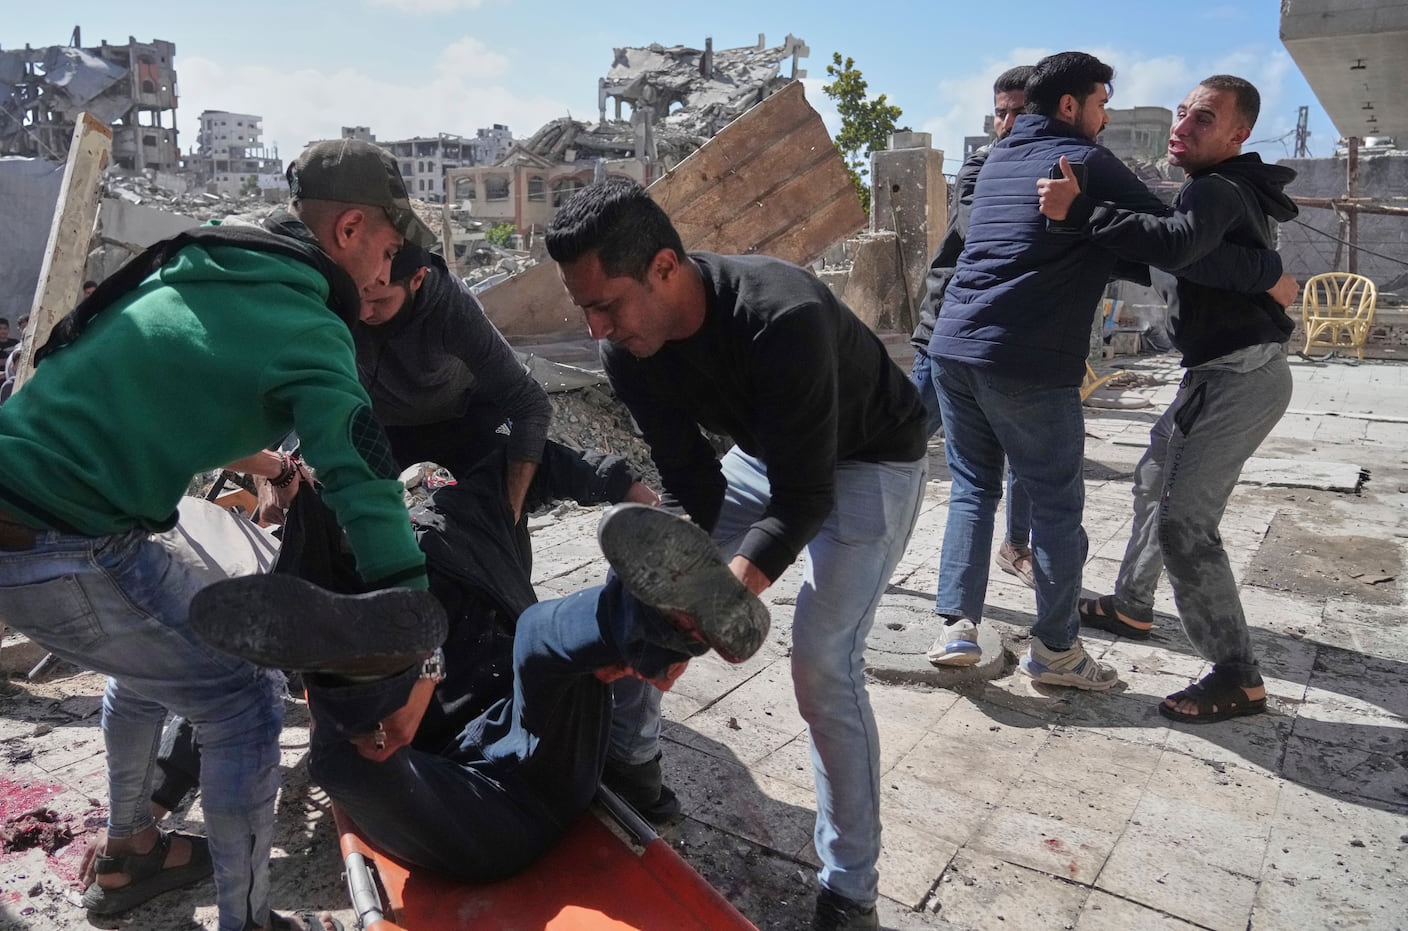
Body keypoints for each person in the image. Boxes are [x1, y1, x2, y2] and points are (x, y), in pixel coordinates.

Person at [0, 137, 444, 931]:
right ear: (348, 230)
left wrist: (272, 465)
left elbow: (176, 392)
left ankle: (133, 847)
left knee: (153, 663)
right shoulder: (309, 324)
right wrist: (412, 614)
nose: (386, 266)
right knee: (244, 697)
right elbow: (361, 471)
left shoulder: (199, 264)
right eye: (386, 245)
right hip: (57, 543)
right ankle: (249, 921)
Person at [547, 181, 928, 931]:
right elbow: (690, 477)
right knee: (644, 594)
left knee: (822, 662)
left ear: (664, 267)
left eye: (608, 304)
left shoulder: (780, 315)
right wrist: (677, 602)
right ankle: (635, 766)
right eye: (583, 307)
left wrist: (715, 607)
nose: (596, 325)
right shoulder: (627, 348)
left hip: (870, 460)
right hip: (768, 453)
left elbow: (804, 497)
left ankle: (852, 891)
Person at [193, 450, 766, 882]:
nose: (425, 488)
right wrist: (293, 487)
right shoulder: (358, 551)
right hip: (466, 791)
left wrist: (637, 493)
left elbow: (547, 449)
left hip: (529, 722)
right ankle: (365, 673)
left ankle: (665, 618)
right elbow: (281, 608)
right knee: (350, 761)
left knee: (537, 636)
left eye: (430, 482)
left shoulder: (477, 506)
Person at [926, 52, 1295, 691]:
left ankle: (958, 625)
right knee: (1057, 506)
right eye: (1102, 104)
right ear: (1071, 106)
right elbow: (1177, 244)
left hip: (953, 351)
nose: (1105, 117)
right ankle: (1059, 654)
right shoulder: (1088, 163)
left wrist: (1092, 231)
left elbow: (1108, 246)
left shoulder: (991, 163)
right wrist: (1269, 276)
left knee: (971, 488)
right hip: (1028, 359)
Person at [1040, 75, 1300, 723]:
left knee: (1186, 523)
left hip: (1240, 379)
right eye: (1182, 112)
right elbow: (1181, 260)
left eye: (1203, 118)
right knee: (1153, 480)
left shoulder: (1219, 189)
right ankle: (1132, 603)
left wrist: (1081, 213)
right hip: (1213, 374)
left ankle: (1238, 672)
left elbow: (1177, 246)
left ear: (1239, 134)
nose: (1183, 125)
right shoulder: (1211, 191)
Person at [910, 67, 1040, 651]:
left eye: (1017, 112)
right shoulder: (983, 168)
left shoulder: (1056, 166)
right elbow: (979, 231)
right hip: (947, 334)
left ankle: (1015, 550)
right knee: (899, 441)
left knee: (1024, 465)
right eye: (1000, 112)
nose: (1006, 123)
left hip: (1011, 346)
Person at [354, 240, 553, 523]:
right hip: (384, 426)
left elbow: (530, 404)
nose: (363, 313)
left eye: (379, 300)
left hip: (464, 418)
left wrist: (509, 511)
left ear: (417, 279)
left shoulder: (450, 306)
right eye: (358, 296)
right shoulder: (338, 300)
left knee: (490, 517)